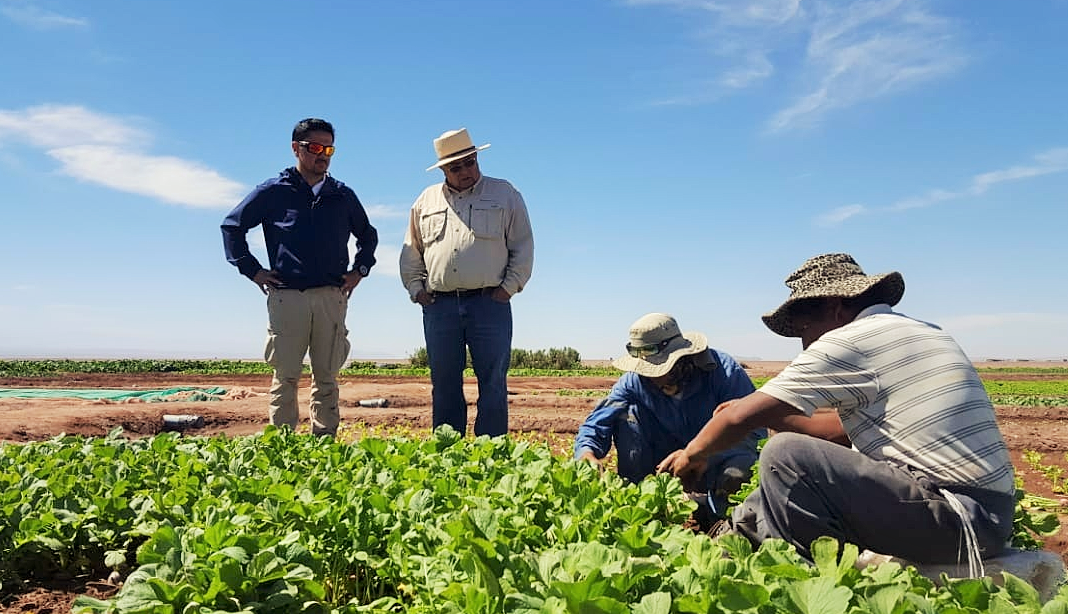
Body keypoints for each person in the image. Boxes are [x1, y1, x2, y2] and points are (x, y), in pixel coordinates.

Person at [658, 253, 1015, 570]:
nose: (805, 341)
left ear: (835, 307)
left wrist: (691, 454)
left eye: (803, 327)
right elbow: (837, 432)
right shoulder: (919, 330)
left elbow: (738, 419)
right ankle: (735, 535)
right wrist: (769, 415)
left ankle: (805, 576)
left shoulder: (851, 339)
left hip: (957, 521)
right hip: (985, 517)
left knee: (785, 454)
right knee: (797, 455)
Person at [221, 118, 378, 436]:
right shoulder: (273, 191)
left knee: (327, 376)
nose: (323, 155)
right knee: (286, 375)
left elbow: (368, 236)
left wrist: (359, 271)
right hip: (287, 295)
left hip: (330, 297)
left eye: (329, 149)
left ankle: (324, 444)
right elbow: (232, 227)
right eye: (315, 147)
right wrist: (252, 270)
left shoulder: (341, 195)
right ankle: (283, 446)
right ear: (296, 148)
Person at [399, 128, 534, 437]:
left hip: (490, 304)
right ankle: (448, 451)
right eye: (456, 167)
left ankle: (492, 453)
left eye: (470, 162)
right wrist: (417, 290)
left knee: (493, 382)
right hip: (440, 306)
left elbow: (523, 246)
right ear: (443, 169)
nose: (465, 171)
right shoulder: (425, 200)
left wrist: (507, 289)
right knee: (444, 383)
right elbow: (412, 250)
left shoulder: (505, 194)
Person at [574, 313, 766, 517]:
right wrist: (586, 454)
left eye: (656, 368)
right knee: (626, 415)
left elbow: (754, 431)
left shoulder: (723, 372)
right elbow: (596, 424)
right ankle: (642, 505)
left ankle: (715, 516)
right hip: (662, 466)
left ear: (681, 357)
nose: (648, 375)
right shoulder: (634, 381)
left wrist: (703, 454)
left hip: (713, 462)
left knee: (738, 470)